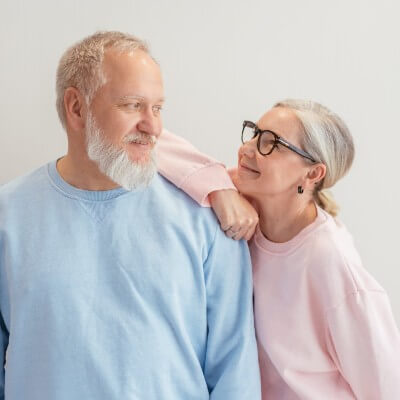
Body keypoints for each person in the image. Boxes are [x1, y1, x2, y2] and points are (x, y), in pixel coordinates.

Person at [0, 31, 261, 399]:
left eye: (157, 108)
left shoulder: (207, 217)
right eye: (132, 105)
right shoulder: (8, 217)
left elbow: (236, 372)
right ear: (76, 108)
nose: (153, 126)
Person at [156, 99, 400, 399]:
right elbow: (151, 141)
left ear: (312, 174)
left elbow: (387, 388)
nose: (248, 149)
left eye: (270, 143)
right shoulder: (243, 204)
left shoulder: (331, 264)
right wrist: (218, 190)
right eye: (255, 134)